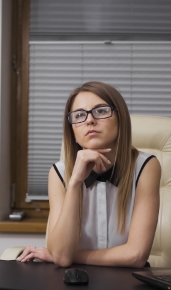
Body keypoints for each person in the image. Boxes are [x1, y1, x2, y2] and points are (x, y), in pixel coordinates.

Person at [17, 82, 161, 268]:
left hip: (127, 284)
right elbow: (61, 257)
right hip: (74, 283)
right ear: (73, 132)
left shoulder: (146, 166)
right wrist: (75, 182)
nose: (89, 120)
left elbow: (136, 255)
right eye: (79, 115)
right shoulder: (58, 173)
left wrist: (72, 256)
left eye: (100, 111)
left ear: (121, 119)